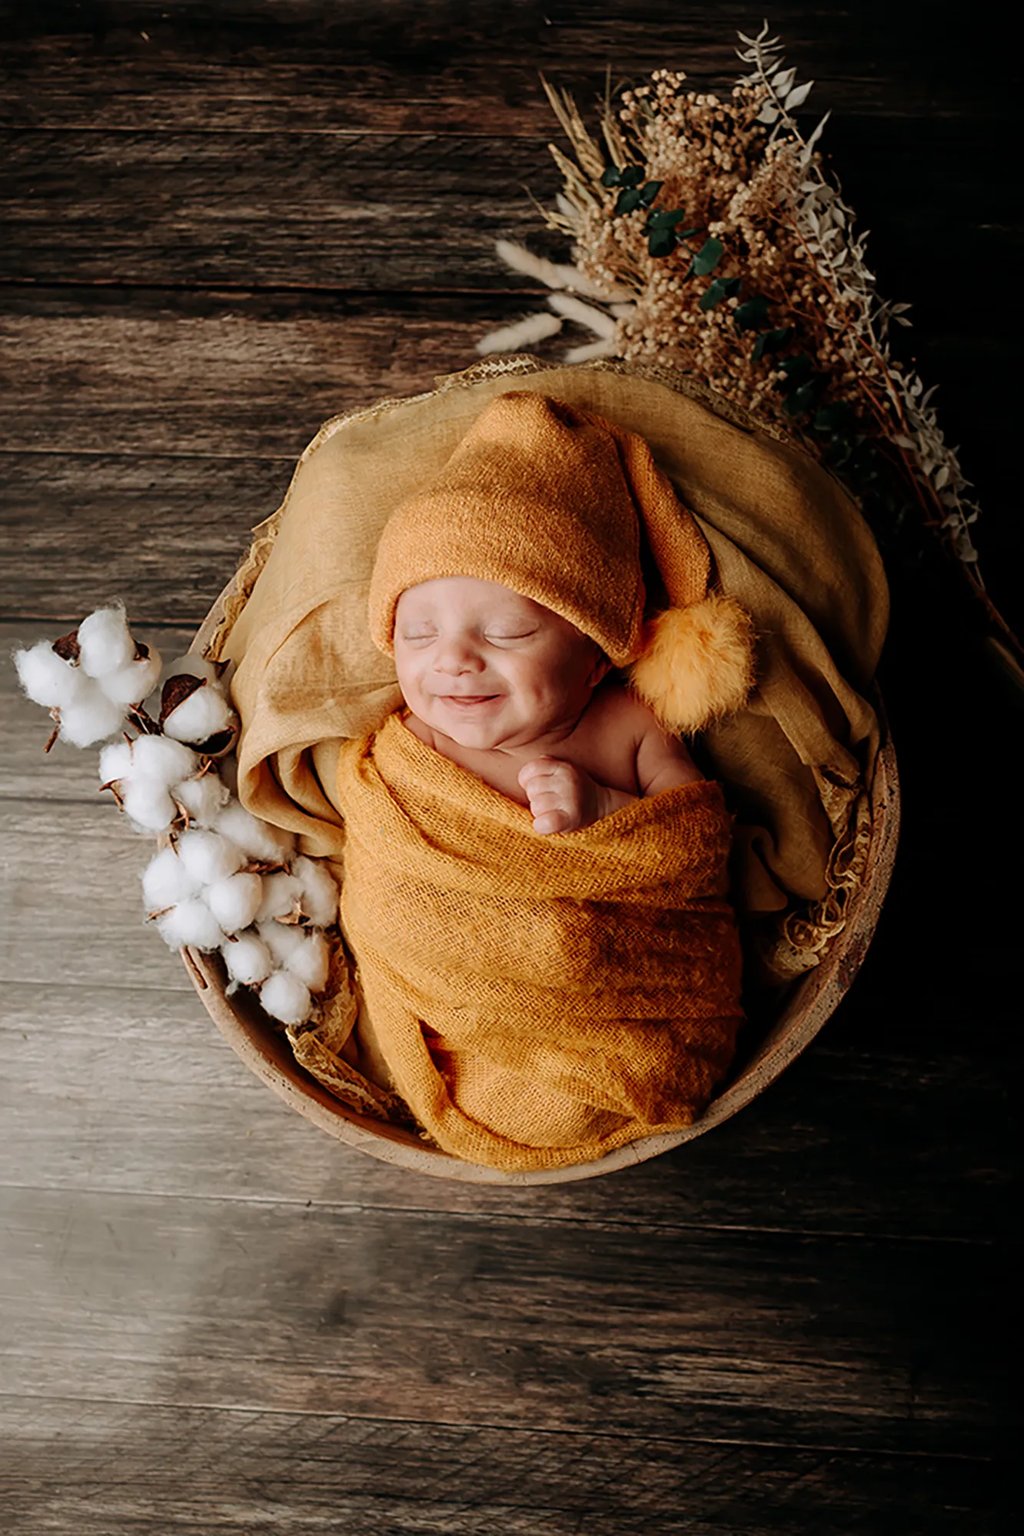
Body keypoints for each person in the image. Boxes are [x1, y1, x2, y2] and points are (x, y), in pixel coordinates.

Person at [393, 574, 704, 836]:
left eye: (506, 632)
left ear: (597, 658)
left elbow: (695, 836)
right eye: (419, 634)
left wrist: (606, 808)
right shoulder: (413, 747)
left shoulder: (636, 724)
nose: (452, 661)